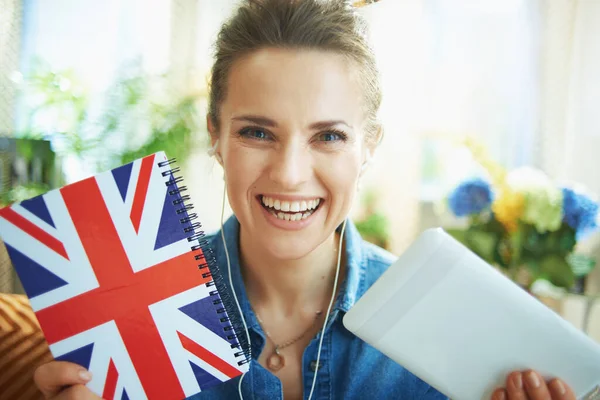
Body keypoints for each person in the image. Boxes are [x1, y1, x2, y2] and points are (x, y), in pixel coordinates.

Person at [33, 1, 576, 399]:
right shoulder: (119, 316)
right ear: (215, 137)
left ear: (368, 149)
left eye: (329, 136)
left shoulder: (461, 332)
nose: (290, 175)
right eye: (257, 133)